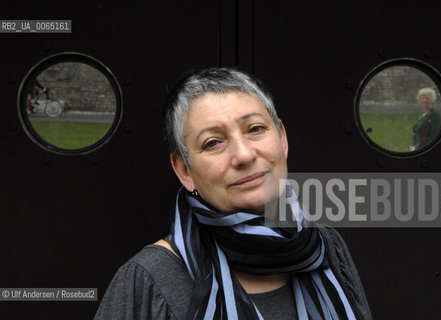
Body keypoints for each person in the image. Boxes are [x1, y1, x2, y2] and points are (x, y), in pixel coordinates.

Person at [94, 68, 372, 320]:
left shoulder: (325, 247)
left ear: (283, 139)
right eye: (213, 142)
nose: (243, 154)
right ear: (184, 171)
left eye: (255, 129)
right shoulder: (148, 279)